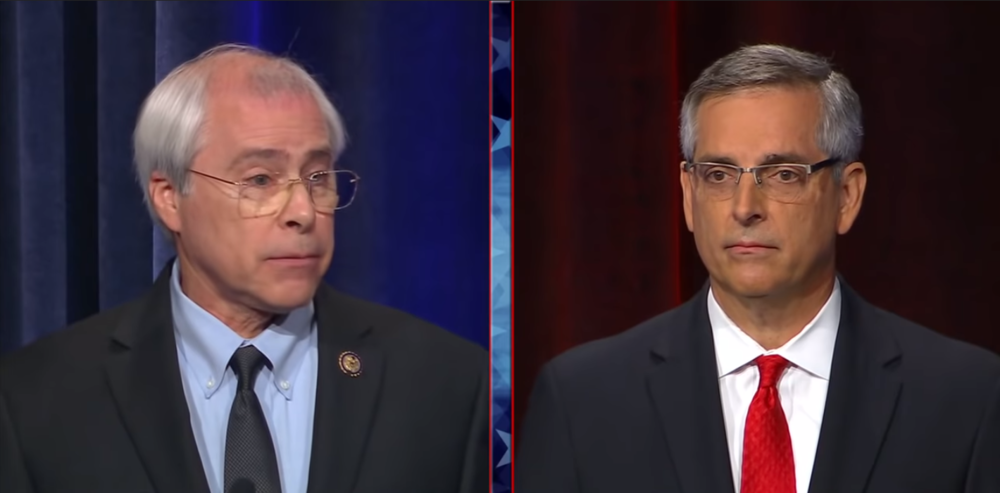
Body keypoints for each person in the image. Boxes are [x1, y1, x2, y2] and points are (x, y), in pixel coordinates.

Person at [0, 44, 488, 493]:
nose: (303, 210)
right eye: (260, 179)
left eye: (318, 177)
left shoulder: (448, 384)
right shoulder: (36, 400)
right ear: (170, 198)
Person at [516, 44, 999, 493]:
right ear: (689, 195)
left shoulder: (967, 399)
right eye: (719, 175)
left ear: (846, 196)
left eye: (783, 174)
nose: (745, 207)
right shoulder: (582, 401)